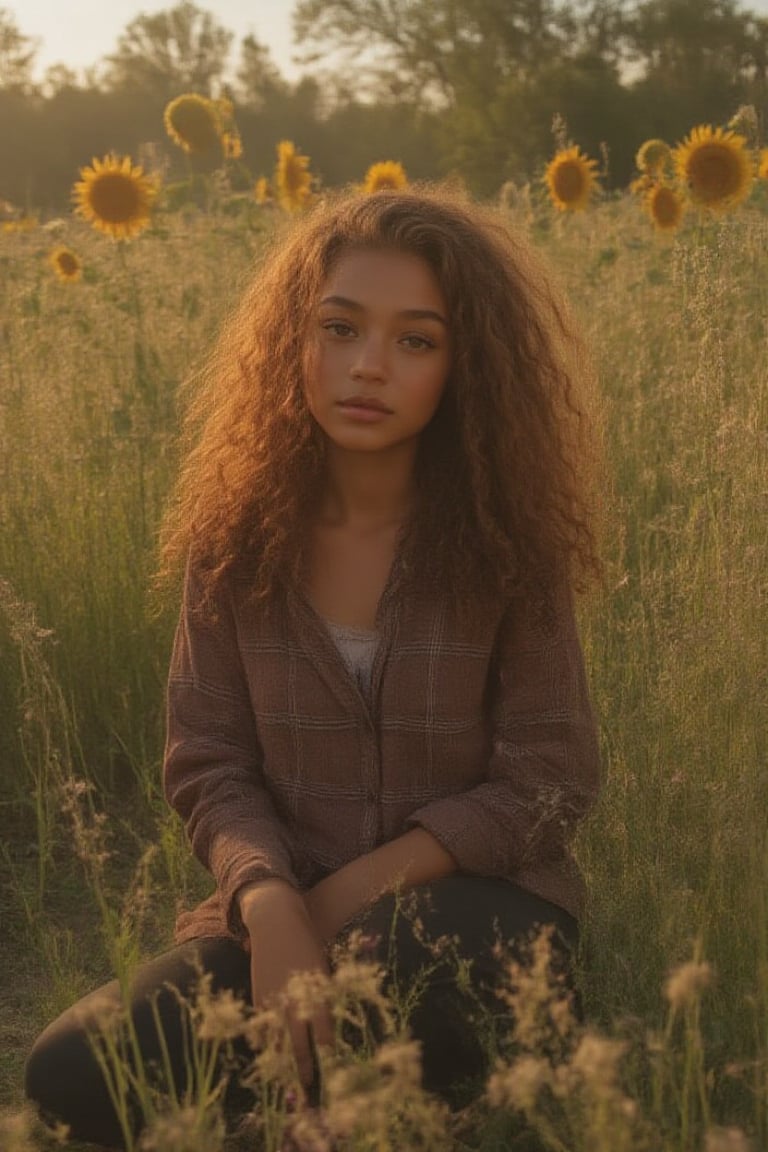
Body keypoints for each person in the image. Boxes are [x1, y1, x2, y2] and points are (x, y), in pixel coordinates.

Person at [25, 185, 602, 1148]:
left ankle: (358, 1102)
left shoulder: (509, 549)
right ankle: (320, 1102)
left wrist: (336, 901)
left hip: (468, 917)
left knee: (401, 959)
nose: (367, 366)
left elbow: (550, 779)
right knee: (71, 1073)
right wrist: (268, 899)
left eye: (417, 340)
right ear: (295, 340)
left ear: (467, 367)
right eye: (339, 327)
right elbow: (208, 761)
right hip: (275, 914)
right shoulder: (235, 540)